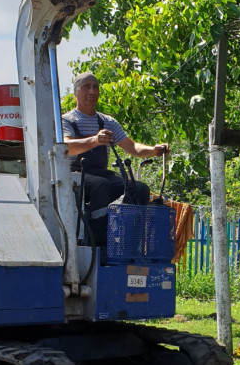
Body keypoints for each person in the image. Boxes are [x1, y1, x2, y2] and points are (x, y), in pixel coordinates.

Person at [62, 71, 169, 249]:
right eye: (86, 86)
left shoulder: (107, 122)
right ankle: (99, 243)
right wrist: (94, 140)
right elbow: (67, 147)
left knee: (140, 188)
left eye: (95, 87)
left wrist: (154, 150)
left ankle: (132, 243)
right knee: (101, 186)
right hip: (75, 174)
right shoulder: (66, 120)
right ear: (76, 94)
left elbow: (132, 147)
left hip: (101, 174)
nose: (92, 91)